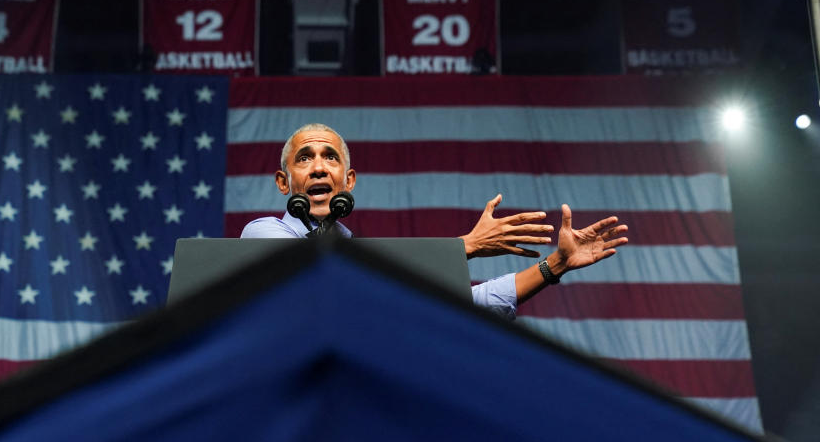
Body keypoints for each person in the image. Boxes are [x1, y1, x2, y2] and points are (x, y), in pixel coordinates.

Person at [241, 123, 628, 320]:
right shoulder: (261, 233)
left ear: (349, 179)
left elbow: (467, 300)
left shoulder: (361, 260)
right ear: (283, 182)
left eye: (330, 157)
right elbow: (315, 277)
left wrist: (553, 265)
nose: (320, 167)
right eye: (305, 158)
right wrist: (466, 247)